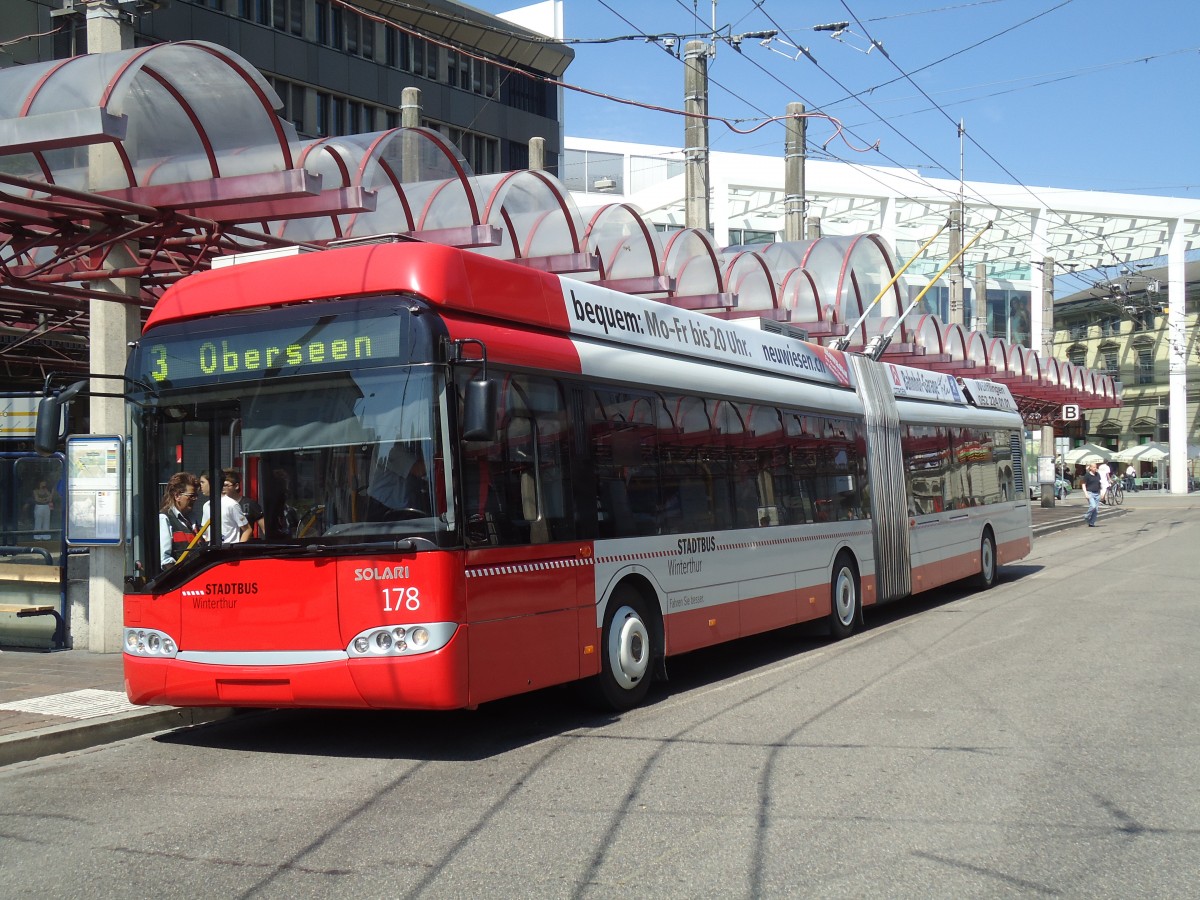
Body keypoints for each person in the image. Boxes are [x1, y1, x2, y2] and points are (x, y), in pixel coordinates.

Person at [159, 472, 200, 566]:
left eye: (196, 496)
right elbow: (165, 560)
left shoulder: (193, 518)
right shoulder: (165, 518)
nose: (195, 499)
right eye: (191, 496)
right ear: (177, 496)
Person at [202, 476, 251, 545]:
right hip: (211, 552)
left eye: (202, 482)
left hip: (229, 552)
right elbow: (206, 532)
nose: (201, 486)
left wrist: (238, 550)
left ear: (212, 484)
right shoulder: (206, 505)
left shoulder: (231, 504)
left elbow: (247, 530)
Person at [223, 469, 264, 538]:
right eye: (221, 485)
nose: (222, 488)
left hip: (244, 545)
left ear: (236, 486)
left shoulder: (250, 504)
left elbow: (264, 529)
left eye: (226, 485)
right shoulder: (219, 505)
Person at [1083, 462, 1102, 527]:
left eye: (1095, 467)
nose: (1095, 468)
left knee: (1096, 510)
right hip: (1090, 492)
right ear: (1090, 468)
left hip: (1097, 493)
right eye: (1093, 467)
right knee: (1093, 506)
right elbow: (1083, 484)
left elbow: (1099, 483)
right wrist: (1085, 493)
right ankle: (1086, 516)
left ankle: (1091, 523)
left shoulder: (1098, 474)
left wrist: (1101, 492)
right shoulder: (1087, 475)